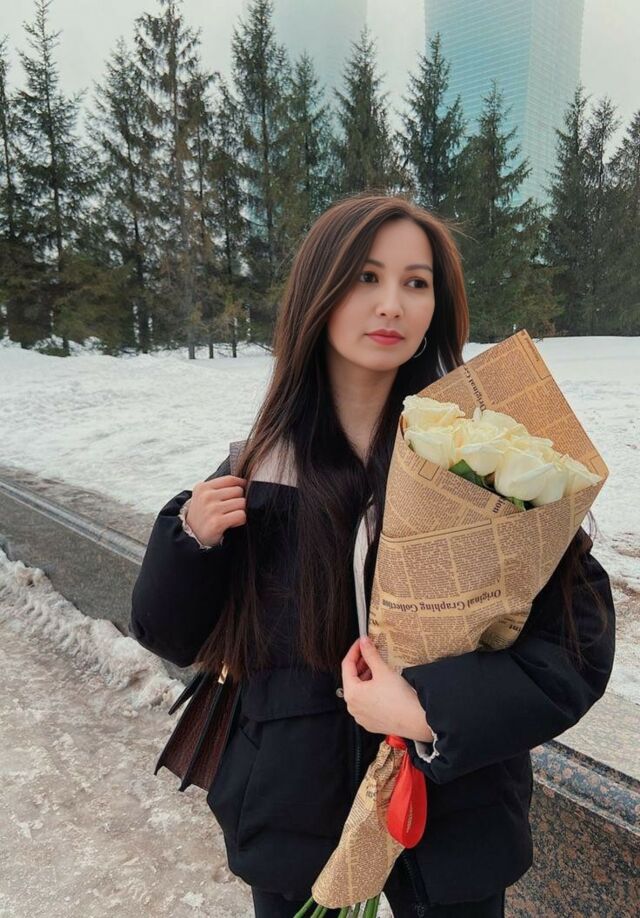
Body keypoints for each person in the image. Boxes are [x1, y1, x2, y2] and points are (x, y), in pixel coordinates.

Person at [129, 193, 616, 918]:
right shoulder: (257, 472)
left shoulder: (485, 463)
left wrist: (431, 711)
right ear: (318, 293)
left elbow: (576, 648)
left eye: (416, 282)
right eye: (366, 277)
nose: (392, 304)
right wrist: (192, 540)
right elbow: (169, 634)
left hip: (453, 828)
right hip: (296, 827)